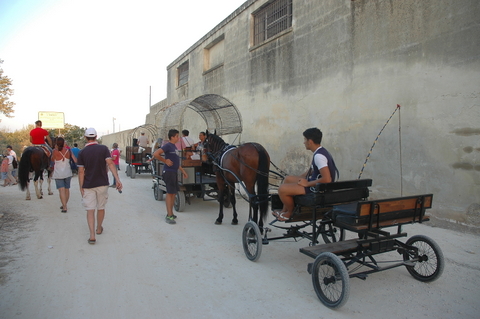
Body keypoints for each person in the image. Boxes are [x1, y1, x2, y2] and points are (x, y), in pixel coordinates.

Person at [272, 128, 338, 221]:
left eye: (305, 140)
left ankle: (290, 213)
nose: (304, 142)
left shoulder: (319, 156)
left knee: (282, 189)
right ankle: (284, 210)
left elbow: (327, 179)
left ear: (310, 141)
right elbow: (310, 172)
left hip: (318, 189)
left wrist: (306, 184)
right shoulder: (321, 151)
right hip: (316, 185)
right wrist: (298, 179)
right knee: (288, 179)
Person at [77, 128, 123, 244]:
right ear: (96, 137)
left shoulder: (82, 152)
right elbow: (110, 163)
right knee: (101, 207)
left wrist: (81, 186)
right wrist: (117, 179)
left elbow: (81, 171)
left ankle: (92, 235)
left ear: (85, 138)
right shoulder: (103, 149)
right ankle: (99, 228)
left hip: (88, 184)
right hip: (102, 183)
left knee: (90, 210)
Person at [153, 129, 188, 225]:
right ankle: (168, 215)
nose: (178, 138)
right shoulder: (168, 145)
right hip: (168, 172)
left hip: (174, 172)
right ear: (172, 137)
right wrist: (165, 161)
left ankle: (171, 213)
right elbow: (156, 154)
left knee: (173, 193)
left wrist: (183, 171)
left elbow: (176, 162)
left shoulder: (174, 147)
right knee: (170, 193)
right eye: (177, 136)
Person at [52, 137, 75, 213]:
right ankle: (65, 204)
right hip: (67, 172)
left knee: (61, 190)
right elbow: (75, 160)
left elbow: (52, 160)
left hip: (58, 173)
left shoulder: (54, 151)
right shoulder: (68, 151)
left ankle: (64, 206)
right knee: (67, 189)